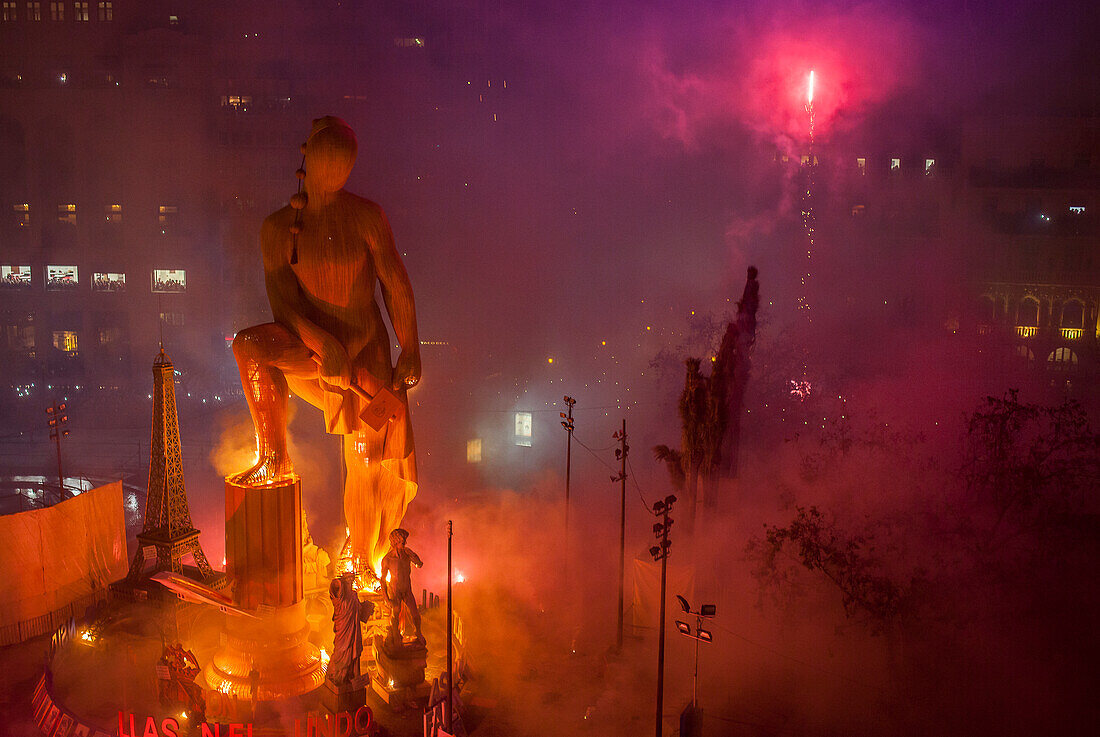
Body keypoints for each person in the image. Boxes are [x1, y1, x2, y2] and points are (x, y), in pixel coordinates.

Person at [231, 117, 421, 570]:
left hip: (364, 352)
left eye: (345, 162)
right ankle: (272, 454)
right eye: (328, 159)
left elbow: (395, 283)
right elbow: (282, 301)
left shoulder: (366, 216)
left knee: (366, 458)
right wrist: (322, 342)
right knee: (250, 346)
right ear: (308, 158)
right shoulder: (277, 229)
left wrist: (410, 345)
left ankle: (363, 555)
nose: (337, 170)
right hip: (309, 347)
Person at [380, 528, 423, 646]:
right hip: (395, 590)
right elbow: (382, 580)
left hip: (407, 589)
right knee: (396, 612)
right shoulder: (387, 559)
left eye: (405, 540)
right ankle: (395, 635)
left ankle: (418, 633)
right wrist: (386, 598)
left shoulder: (407, 554)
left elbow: (419, 565)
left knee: (415, 613)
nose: (405, 542)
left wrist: (413, 556)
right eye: (402, 540)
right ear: (395, 542)